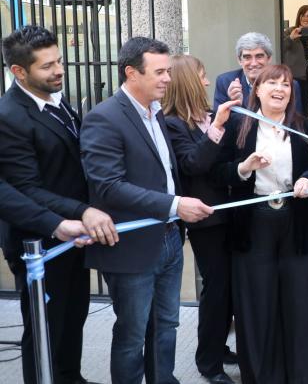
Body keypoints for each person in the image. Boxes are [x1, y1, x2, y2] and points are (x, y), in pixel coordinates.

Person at [80, 37, 214, 384]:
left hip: (169, 238)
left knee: (166, 324)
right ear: (131, 73)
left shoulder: (157, 114)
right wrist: (174, 204)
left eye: (168, 71)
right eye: (159, 72)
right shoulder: (104, 118)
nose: (168, 78)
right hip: (131, 245)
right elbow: (109, 186)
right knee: (132, 334)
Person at [0, 24, 116, 384]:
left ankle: (70, 376)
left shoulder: (55, 100)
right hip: (40, 238)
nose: (59, 71)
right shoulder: (10, 116)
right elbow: (26, 189)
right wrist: (82, 211)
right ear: (19, 71)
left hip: (74, 233)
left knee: (74, 314)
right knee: (45, 327)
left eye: (59, 61)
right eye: (47, 66)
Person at [213, 64, 308, 383]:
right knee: (256, 302)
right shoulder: (239, 126)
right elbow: (218, 172)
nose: (280, 89)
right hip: (253, 223)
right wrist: (244, 168)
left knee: (299, 302)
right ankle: (262, 376)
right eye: (272, 83)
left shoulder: (305, 126)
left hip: (296, 220)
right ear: (257, 90)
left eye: (286, 84)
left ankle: (302, 376)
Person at [162, 55, 241, 384]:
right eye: (203, 76)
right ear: (189, 82)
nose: (208, 82)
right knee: (217, 288)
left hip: (230, 210)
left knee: (230, 288)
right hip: (205, 219)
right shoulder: (173, 124)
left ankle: (219, 346)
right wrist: (217, 128)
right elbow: (193, 165)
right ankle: (209, 362)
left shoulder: (207, 115)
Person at [213, 31, 301, 112]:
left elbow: (295, 121)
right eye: (247, 57)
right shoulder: (225, 82)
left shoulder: (288, 86)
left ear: (269, 58)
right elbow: (218, 121)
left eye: (259, 56)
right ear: (239, 60)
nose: (254, 63)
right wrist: (233, 103)